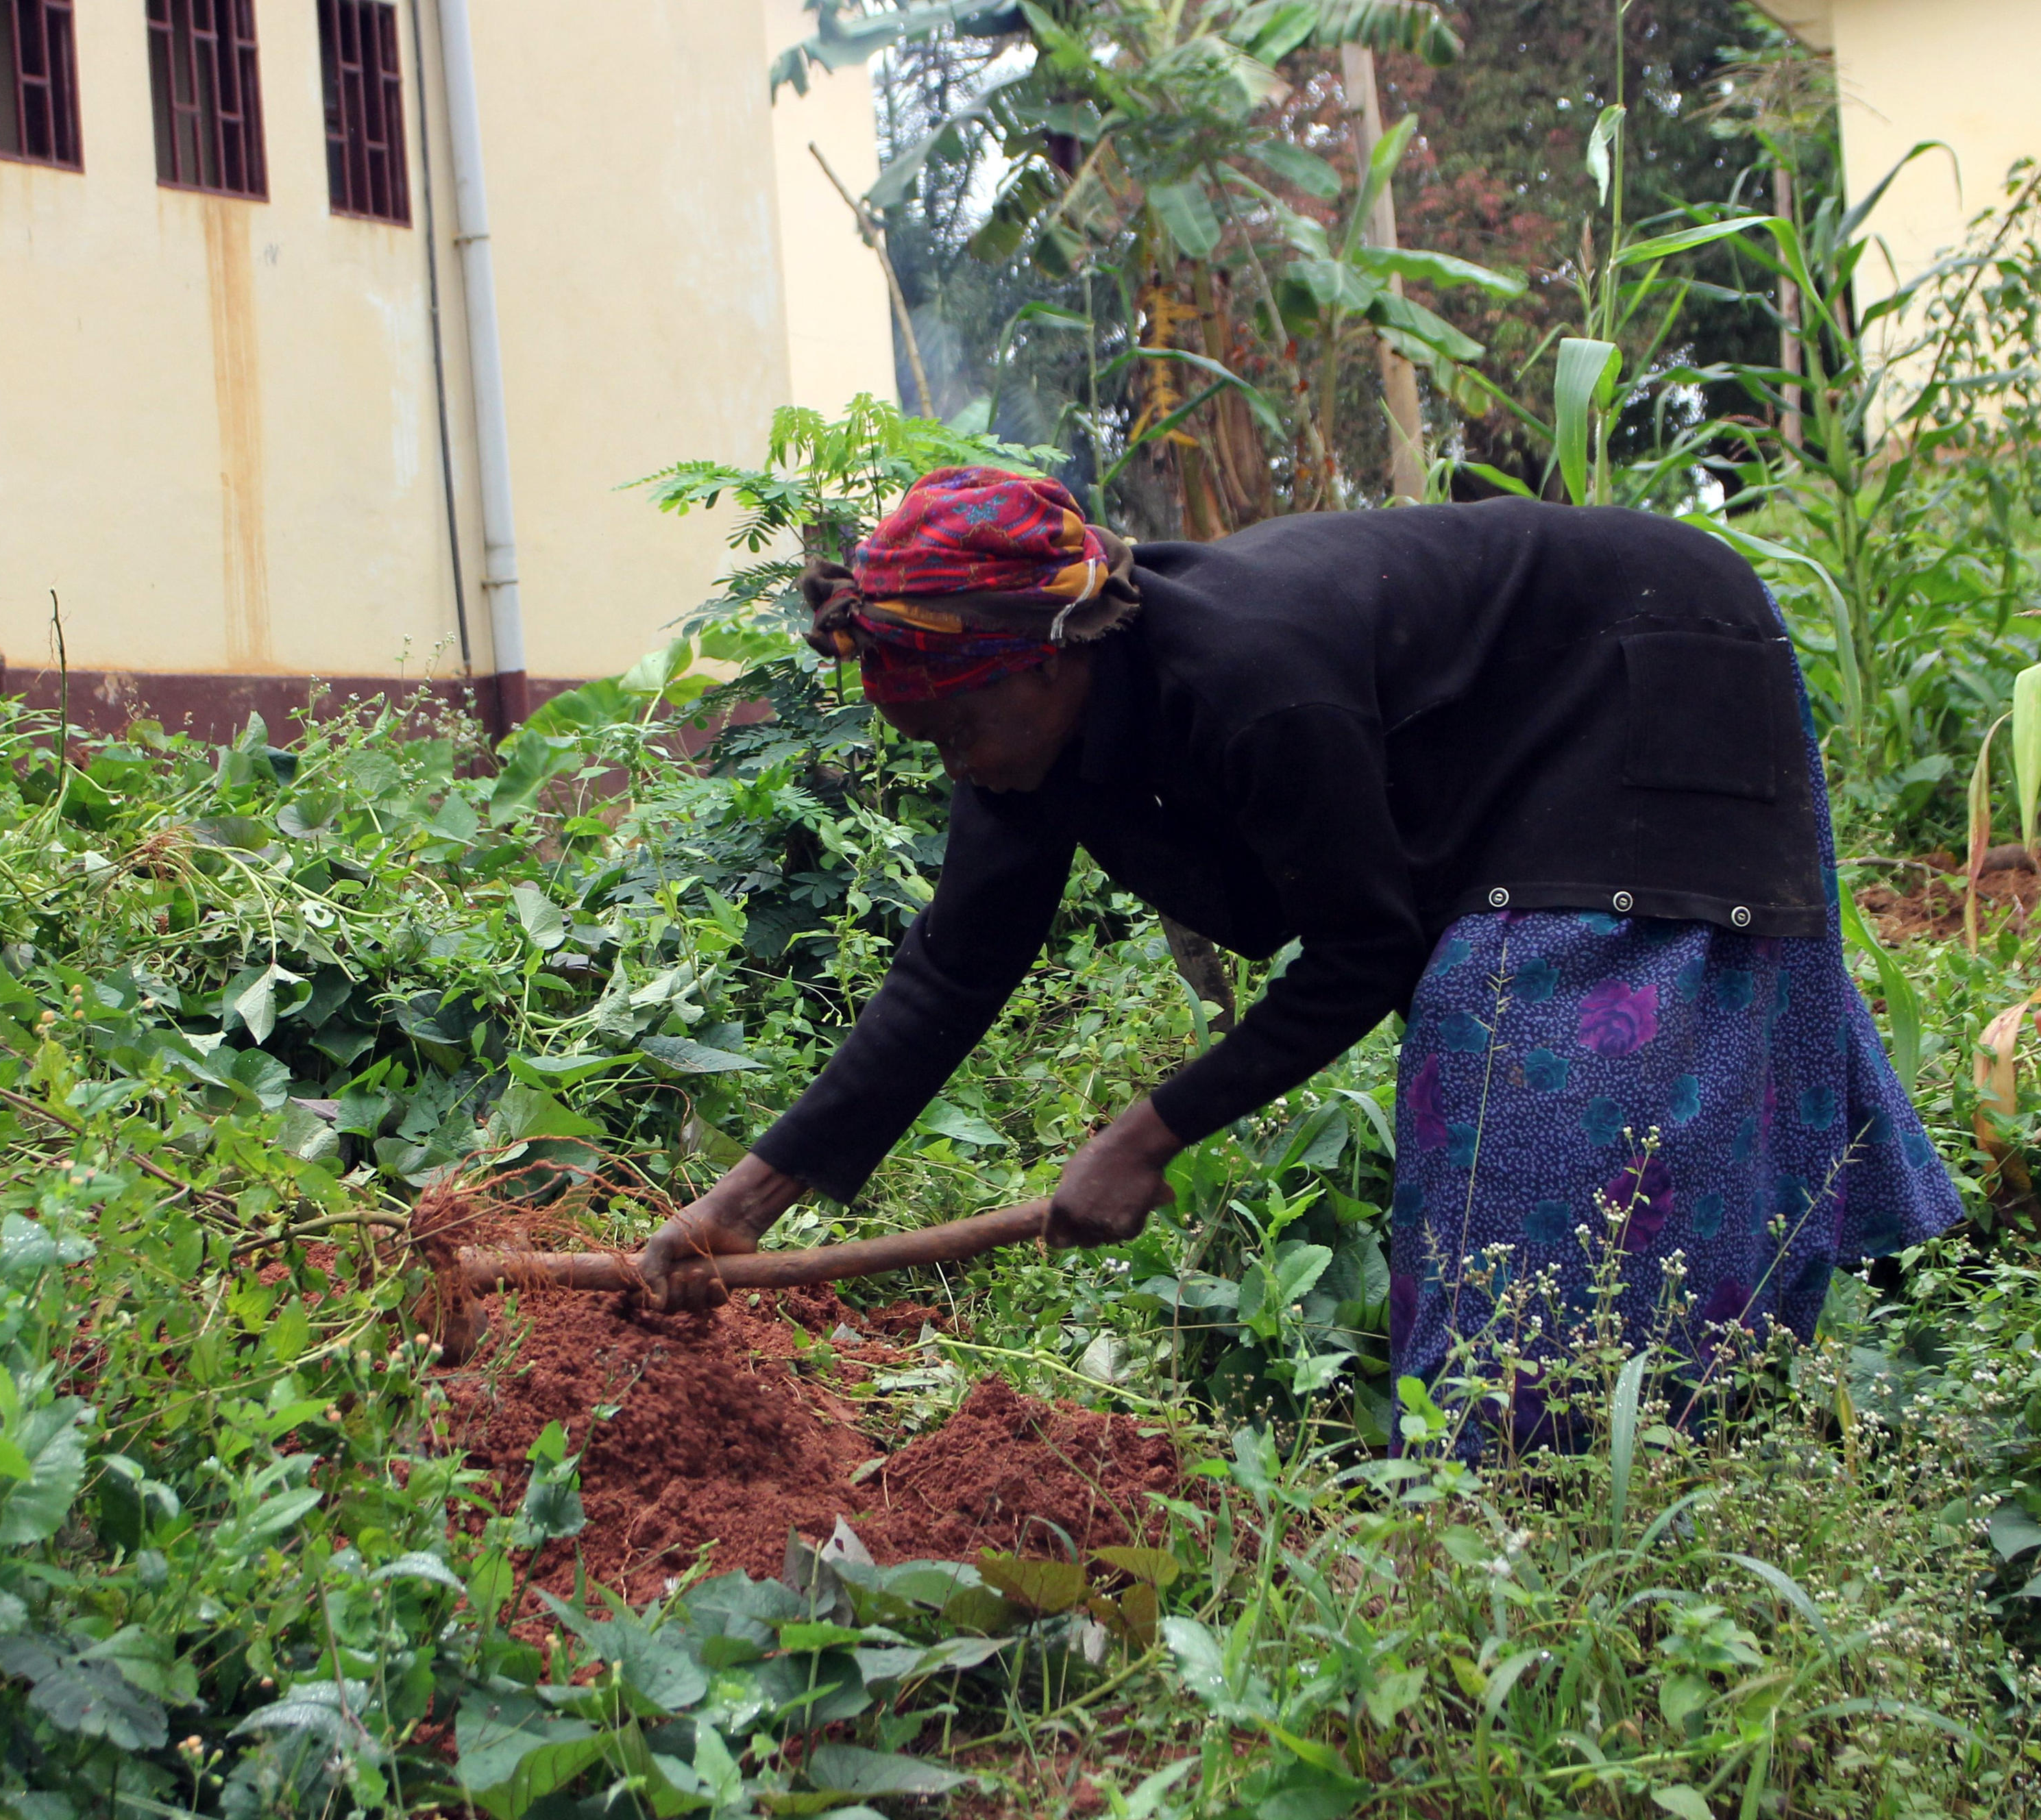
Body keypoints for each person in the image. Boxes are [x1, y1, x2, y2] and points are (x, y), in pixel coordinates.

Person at [638, 465, 1959, 1450]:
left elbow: (1364, 947)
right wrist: (735, 1208)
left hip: (1654, 663)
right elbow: (952, 969)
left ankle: (1551, 1468)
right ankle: (1560, 1449)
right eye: (936, 743)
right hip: (1509, 738)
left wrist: (1150, 1131)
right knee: (1502, 1038)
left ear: (1053, 661)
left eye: (966, 725)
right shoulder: (1021, 722)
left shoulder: (1250, 679)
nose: (963, 764)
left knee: (1514, 1036)